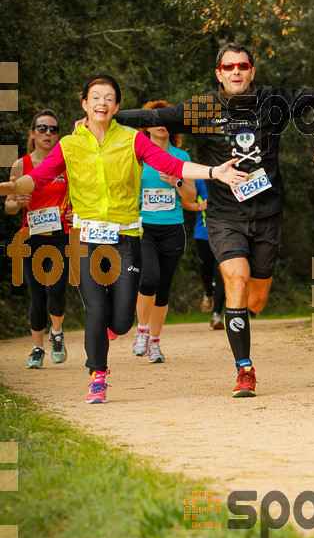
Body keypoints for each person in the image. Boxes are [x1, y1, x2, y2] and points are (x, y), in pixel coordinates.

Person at [116, 44, 314, 397]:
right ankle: (244, 370)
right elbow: (152, 119)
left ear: (252, 71)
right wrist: (105, 116)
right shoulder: (201, 109)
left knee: (255, 300)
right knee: (236, 282)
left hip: (268, 214)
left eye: (243, 66)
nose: (236, 71)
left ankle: (241, 308)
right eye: (229, 67)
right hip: (224, 215)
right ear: (219, 73)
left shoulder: (273, 101)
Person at [0, 75, 247, 404]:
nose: (101, 102)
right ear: (84, 104)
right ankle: (97, 376)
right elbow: (40, 177)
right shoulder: (69, 146)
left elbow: (172, 164)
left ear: (117, 107)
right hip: (86, 239)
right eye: (95, 97)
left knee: (121, 320)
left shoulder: (132, 140)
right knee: (96, 311)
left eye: (109, 98)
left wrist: (215, 172)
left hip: (126, 238)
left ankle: (105, 338)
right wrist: (13, 187)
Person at [131, 100, 196, 362]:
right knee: (149, 279)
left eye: (166, 120)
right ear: (145, 127)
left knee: (164, 288)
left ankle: (155, 343)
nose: (160, 125)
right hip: (144, 227)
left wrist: (177, 181)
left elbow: (191, 196)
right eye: (154, 120)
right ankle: (142, 332)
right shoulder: (135, 156)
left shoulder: (181, 157)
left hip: (172, 228)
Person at [5, 110, 70, 368]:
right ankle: (37, 348)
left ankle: (56, 334)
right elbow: (9, 206)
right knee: (37, 295)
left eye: (53, 130)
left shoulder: (66, 163)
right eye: (42, 129)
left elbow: (78, 195)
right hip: (31, 236)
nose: (48, 134)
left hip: (61, 235)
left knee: (55, 289)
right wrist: (16, 201)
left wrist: (76, 212)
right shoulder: (21, 165)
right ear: (32, 133)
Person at [181, 179, 226, 330]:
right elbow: (184, 202)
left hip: (226, 236)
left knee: (221, 274)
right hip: (203, 235)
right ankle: (208, 292)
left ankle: (217, 315)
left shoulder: (230, 178)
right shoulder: (200, 180)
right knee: (206, 274)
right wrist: (200, 206)